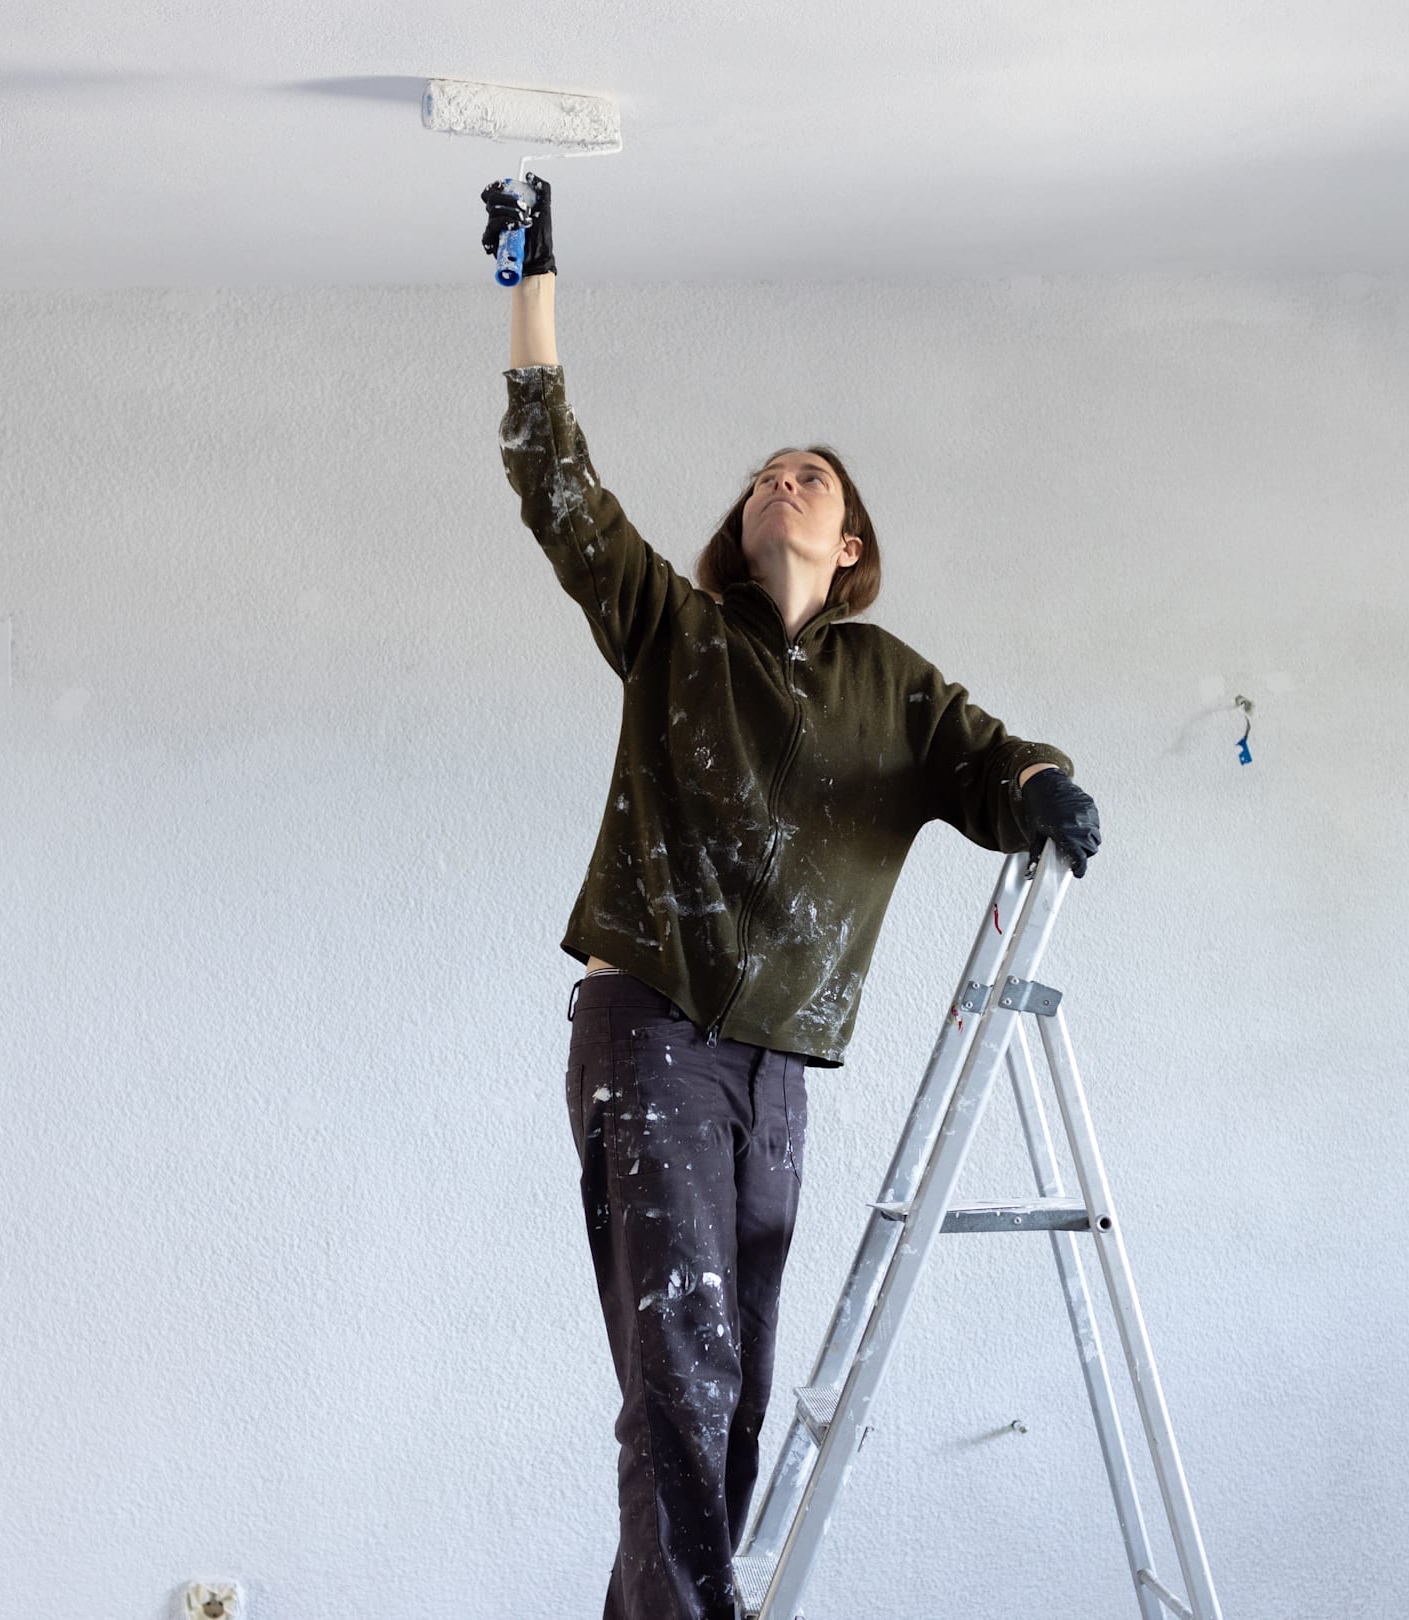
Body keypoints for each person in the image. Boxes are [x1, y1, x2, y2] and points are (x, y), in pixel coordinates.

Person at [486, 175, 1101, 1620]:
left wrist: (1052, 789)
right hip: (656, 1037)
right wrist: (530, 276)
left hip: (780, 1075)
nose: (780, 479)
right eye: (763, 472)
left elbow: (988, 762)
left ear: (851, 547)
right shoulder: (675, 632)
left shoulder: (888, 682)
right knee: (681, 1381)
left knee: (737, 1401)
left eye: (809, 476)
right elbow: (553, 482)